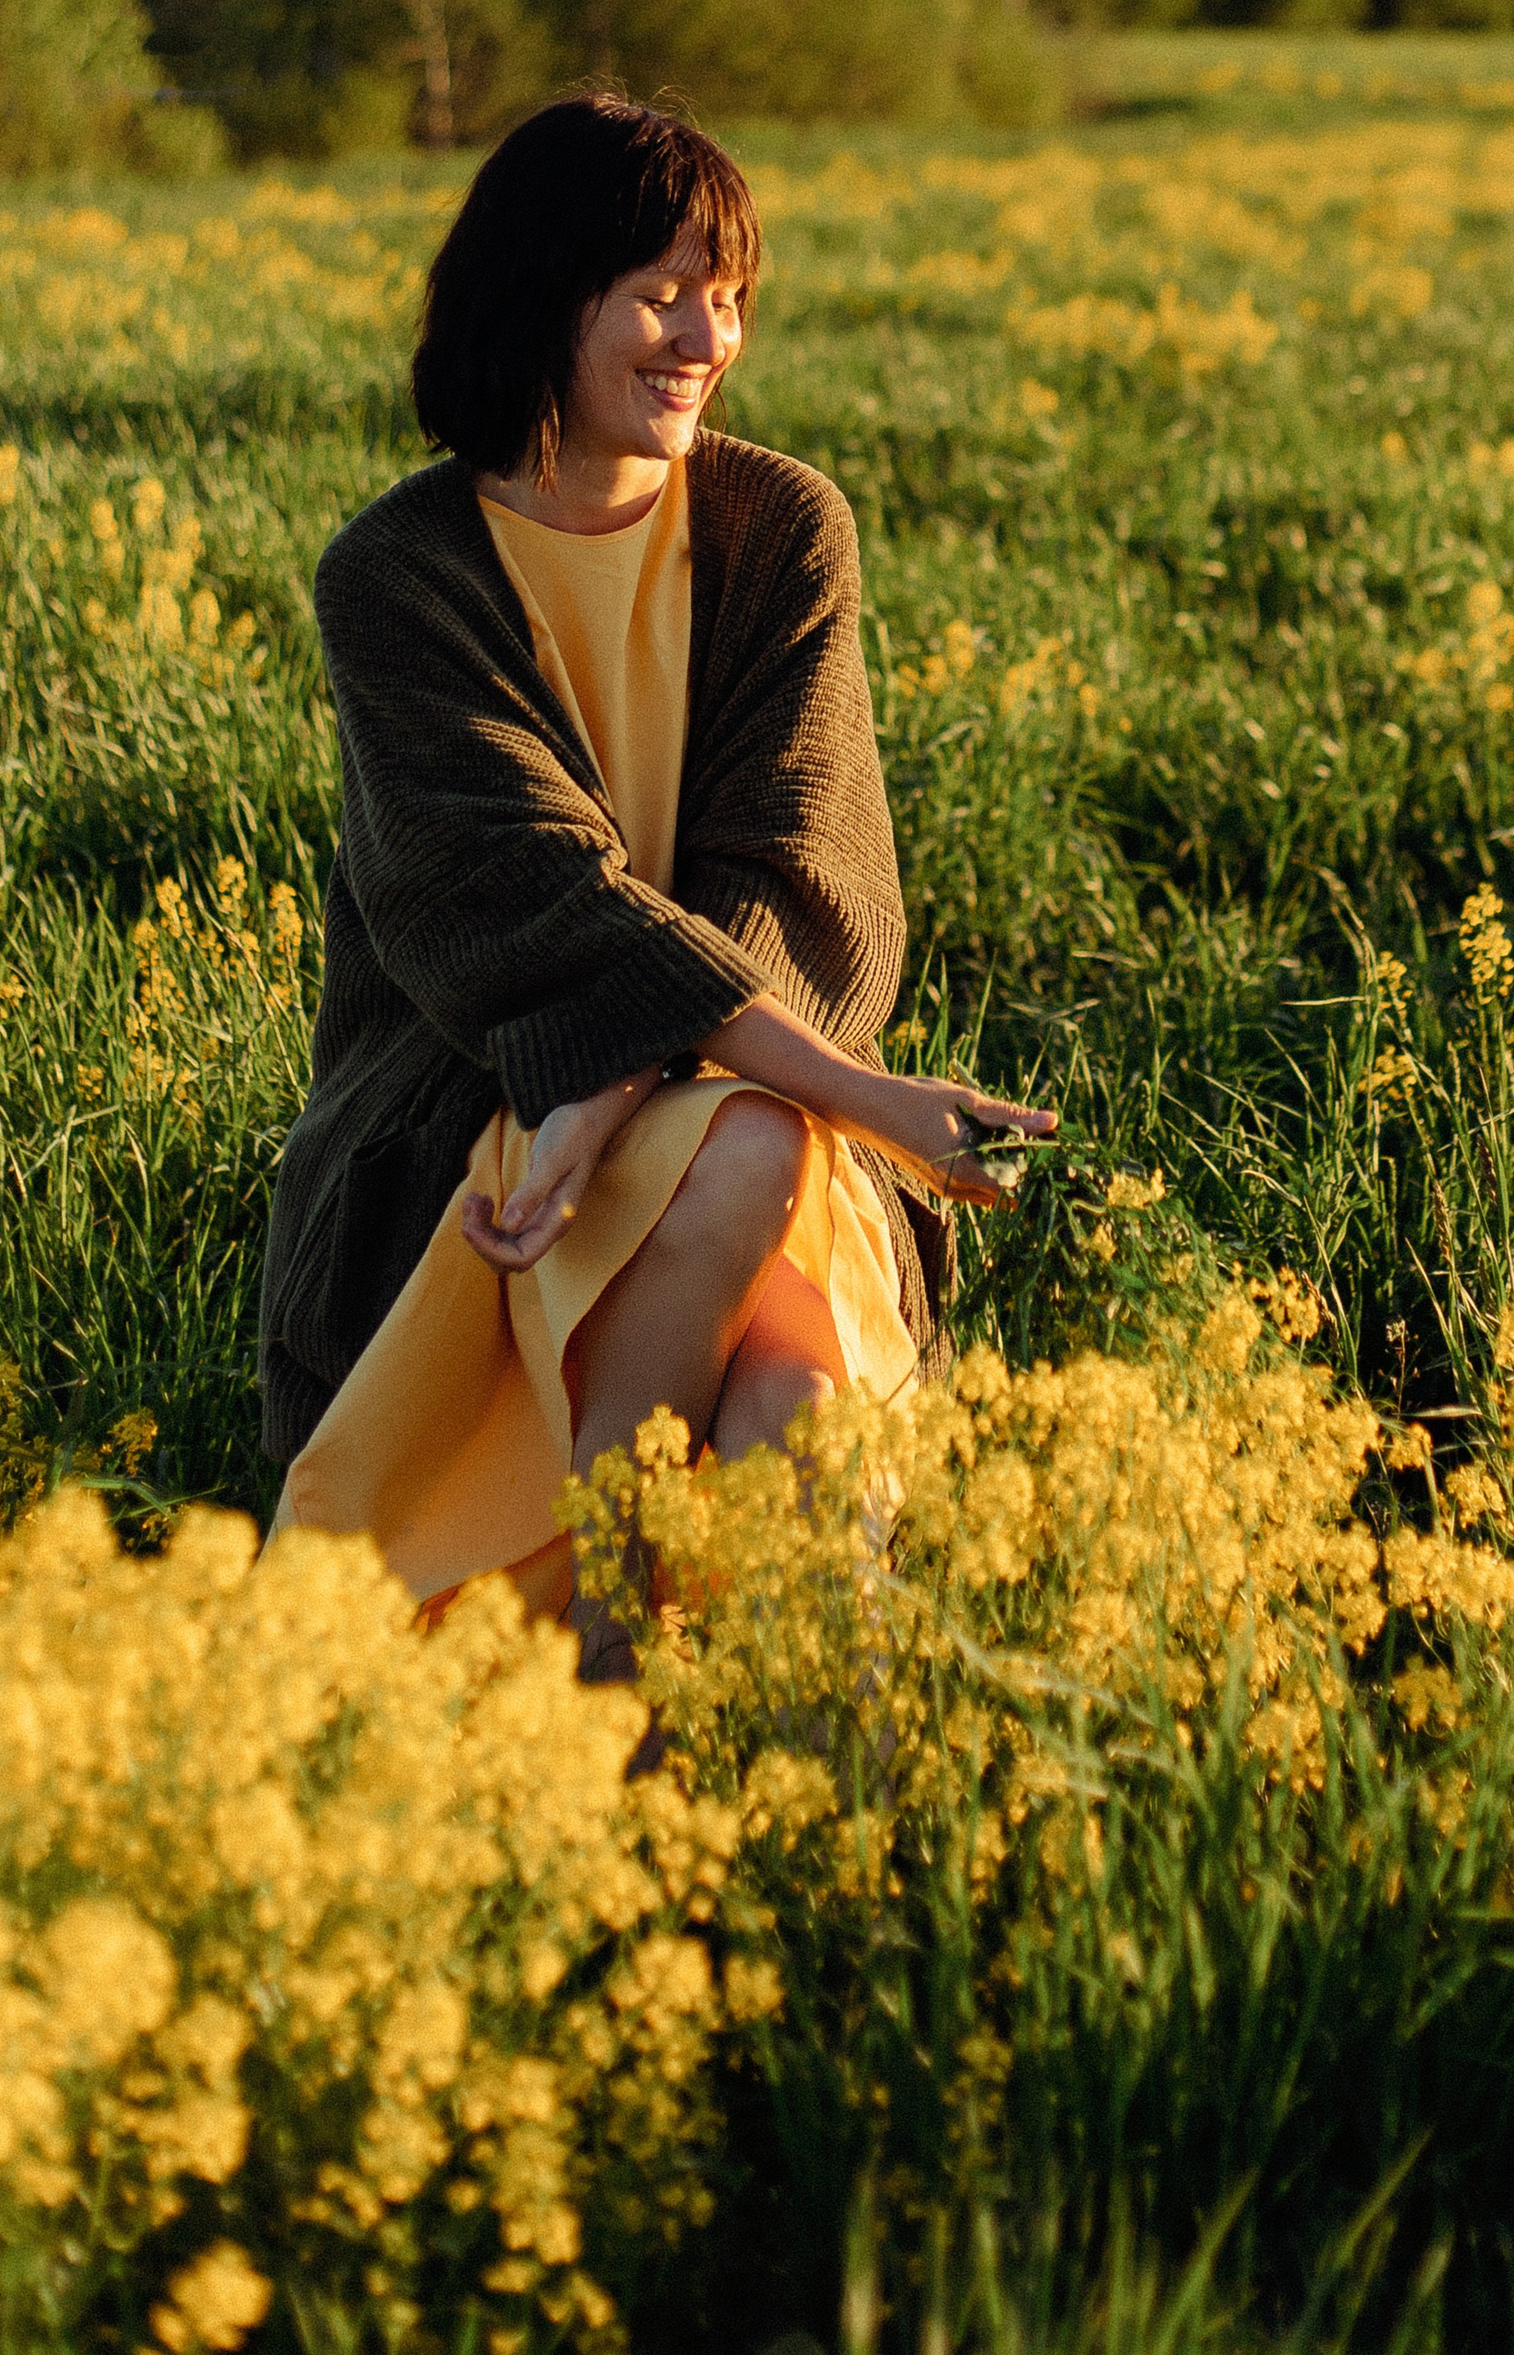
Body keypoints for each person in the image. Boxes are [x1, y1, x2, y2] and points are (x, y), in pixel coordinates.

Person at [257, 92, 1050, 1681]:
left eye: (730, 293)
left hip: (643, 1107)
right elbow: (532, 897)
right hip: (475, 1108)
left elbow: (804, 875)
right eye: (662, 290)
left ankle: (670, 1733)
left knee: (787, 1389)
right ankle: (677, 1705)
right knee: (763, 1183)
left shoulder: (779, 526)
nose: (707, 335)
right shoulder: (395, 575)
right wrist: (856, 1094)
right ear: (547, 298)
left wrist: (614, 1096)